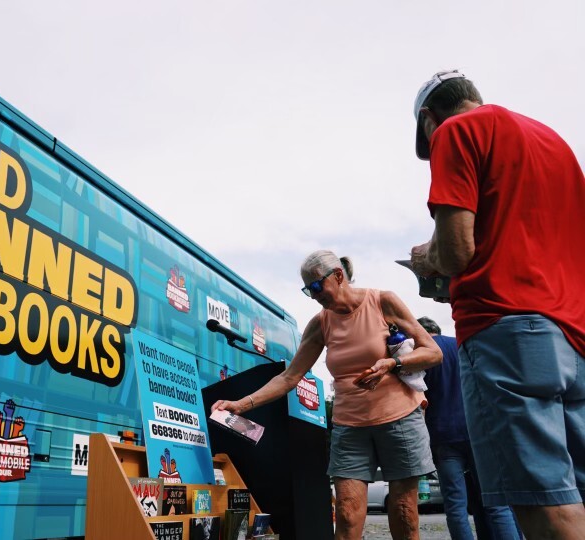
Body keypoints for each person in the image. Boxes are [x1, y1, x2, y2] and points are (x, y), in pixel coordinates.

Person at [409, 70, 585, 539]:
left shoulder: (455, 131)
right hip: (575, 334)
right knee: (578, 492)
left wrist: (428, 259)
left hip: (505, 330)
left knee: (540, 496)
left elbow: (457, 250)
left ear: (429, 118)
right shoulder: (555, 143)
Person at [211, 250, 442, 540]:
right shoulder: (321, 323)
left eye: (317, 287)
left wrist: (392, 363)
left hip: (399, 419)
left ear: (338, 276)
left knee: (403, 511)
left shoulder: (382, 301)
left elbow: (433, 352)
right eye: (308, 290)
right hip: (350, 426)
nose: (314, 296)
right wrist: (241, 404)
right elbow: (289, 377)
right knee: (346, 512)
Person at [418, 316, 521, 540]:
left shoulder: (420, 354)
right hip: (478, 429)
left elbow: (419, 399)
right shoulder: (459, 344)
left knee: (456, 505)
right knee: (496, 502)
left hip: (442, 434)